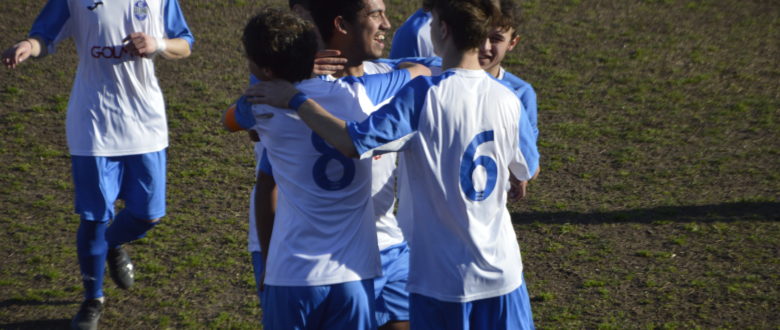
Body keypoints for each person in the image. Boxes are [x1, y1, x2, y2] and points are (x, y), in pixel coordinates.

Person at [246, 0, 537, 328]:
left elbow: (349, 140)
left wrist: (292, 96)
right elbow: (528, 167)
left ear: (443, 29)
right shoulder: (505, 94)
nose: (388, 24)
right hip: (498, 271)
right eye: (375, 15)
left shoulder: (409, 88)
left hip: (411, 265)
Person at [223, 8, 427, 328]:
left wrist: (266, 89)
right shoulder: (361, 94)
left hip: (292, 273)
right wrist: (394, 68)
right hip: (353, 276)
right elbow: (420, 72)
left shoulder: (260, 104)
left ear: (263, 68)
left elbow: (229, 120)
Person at [1, 1, 194, 329]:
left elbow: (185, 43)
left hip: (145, 123)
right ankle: (93, 298)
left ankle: (113, 243)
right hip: (93, 121)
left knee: (149, 214)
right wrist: (27, 46)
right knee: (93, 217)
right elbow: (44, 38)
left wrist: (157, 43)